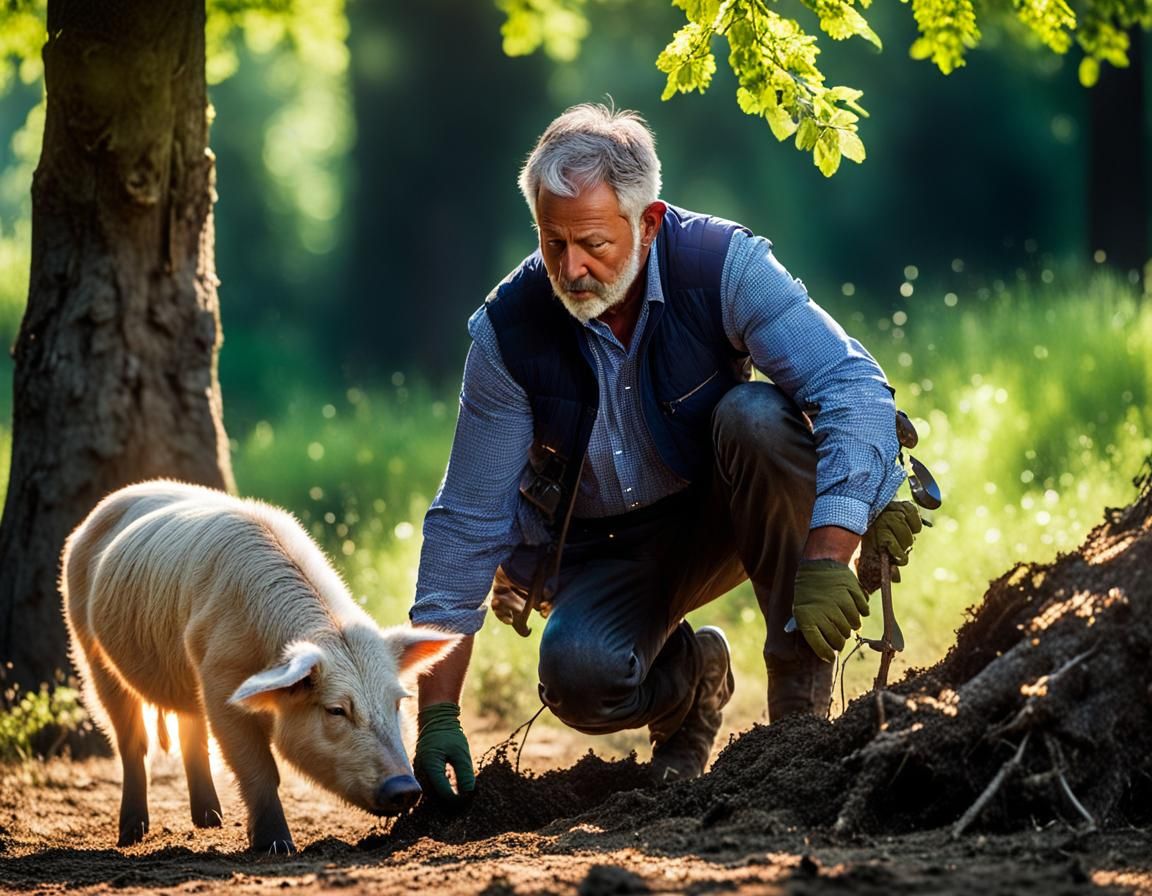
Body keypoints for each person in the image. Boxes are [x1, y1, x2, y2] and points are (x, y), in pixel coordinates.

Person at [409, 103, 918, 805]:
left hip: (725, 510)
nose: (570, 267)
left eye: (592, 243)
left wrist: (830, 553)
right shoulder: (509, 331)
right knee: (577, 676)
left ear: (646, 223)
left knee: (758, 418)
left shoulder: (721, 265)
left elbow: (851, 386)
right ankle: (691, 684)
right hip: (601, 548)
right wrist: (436, 714)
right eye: (552, 243)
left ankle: (799, 725)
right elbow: (466, 523)